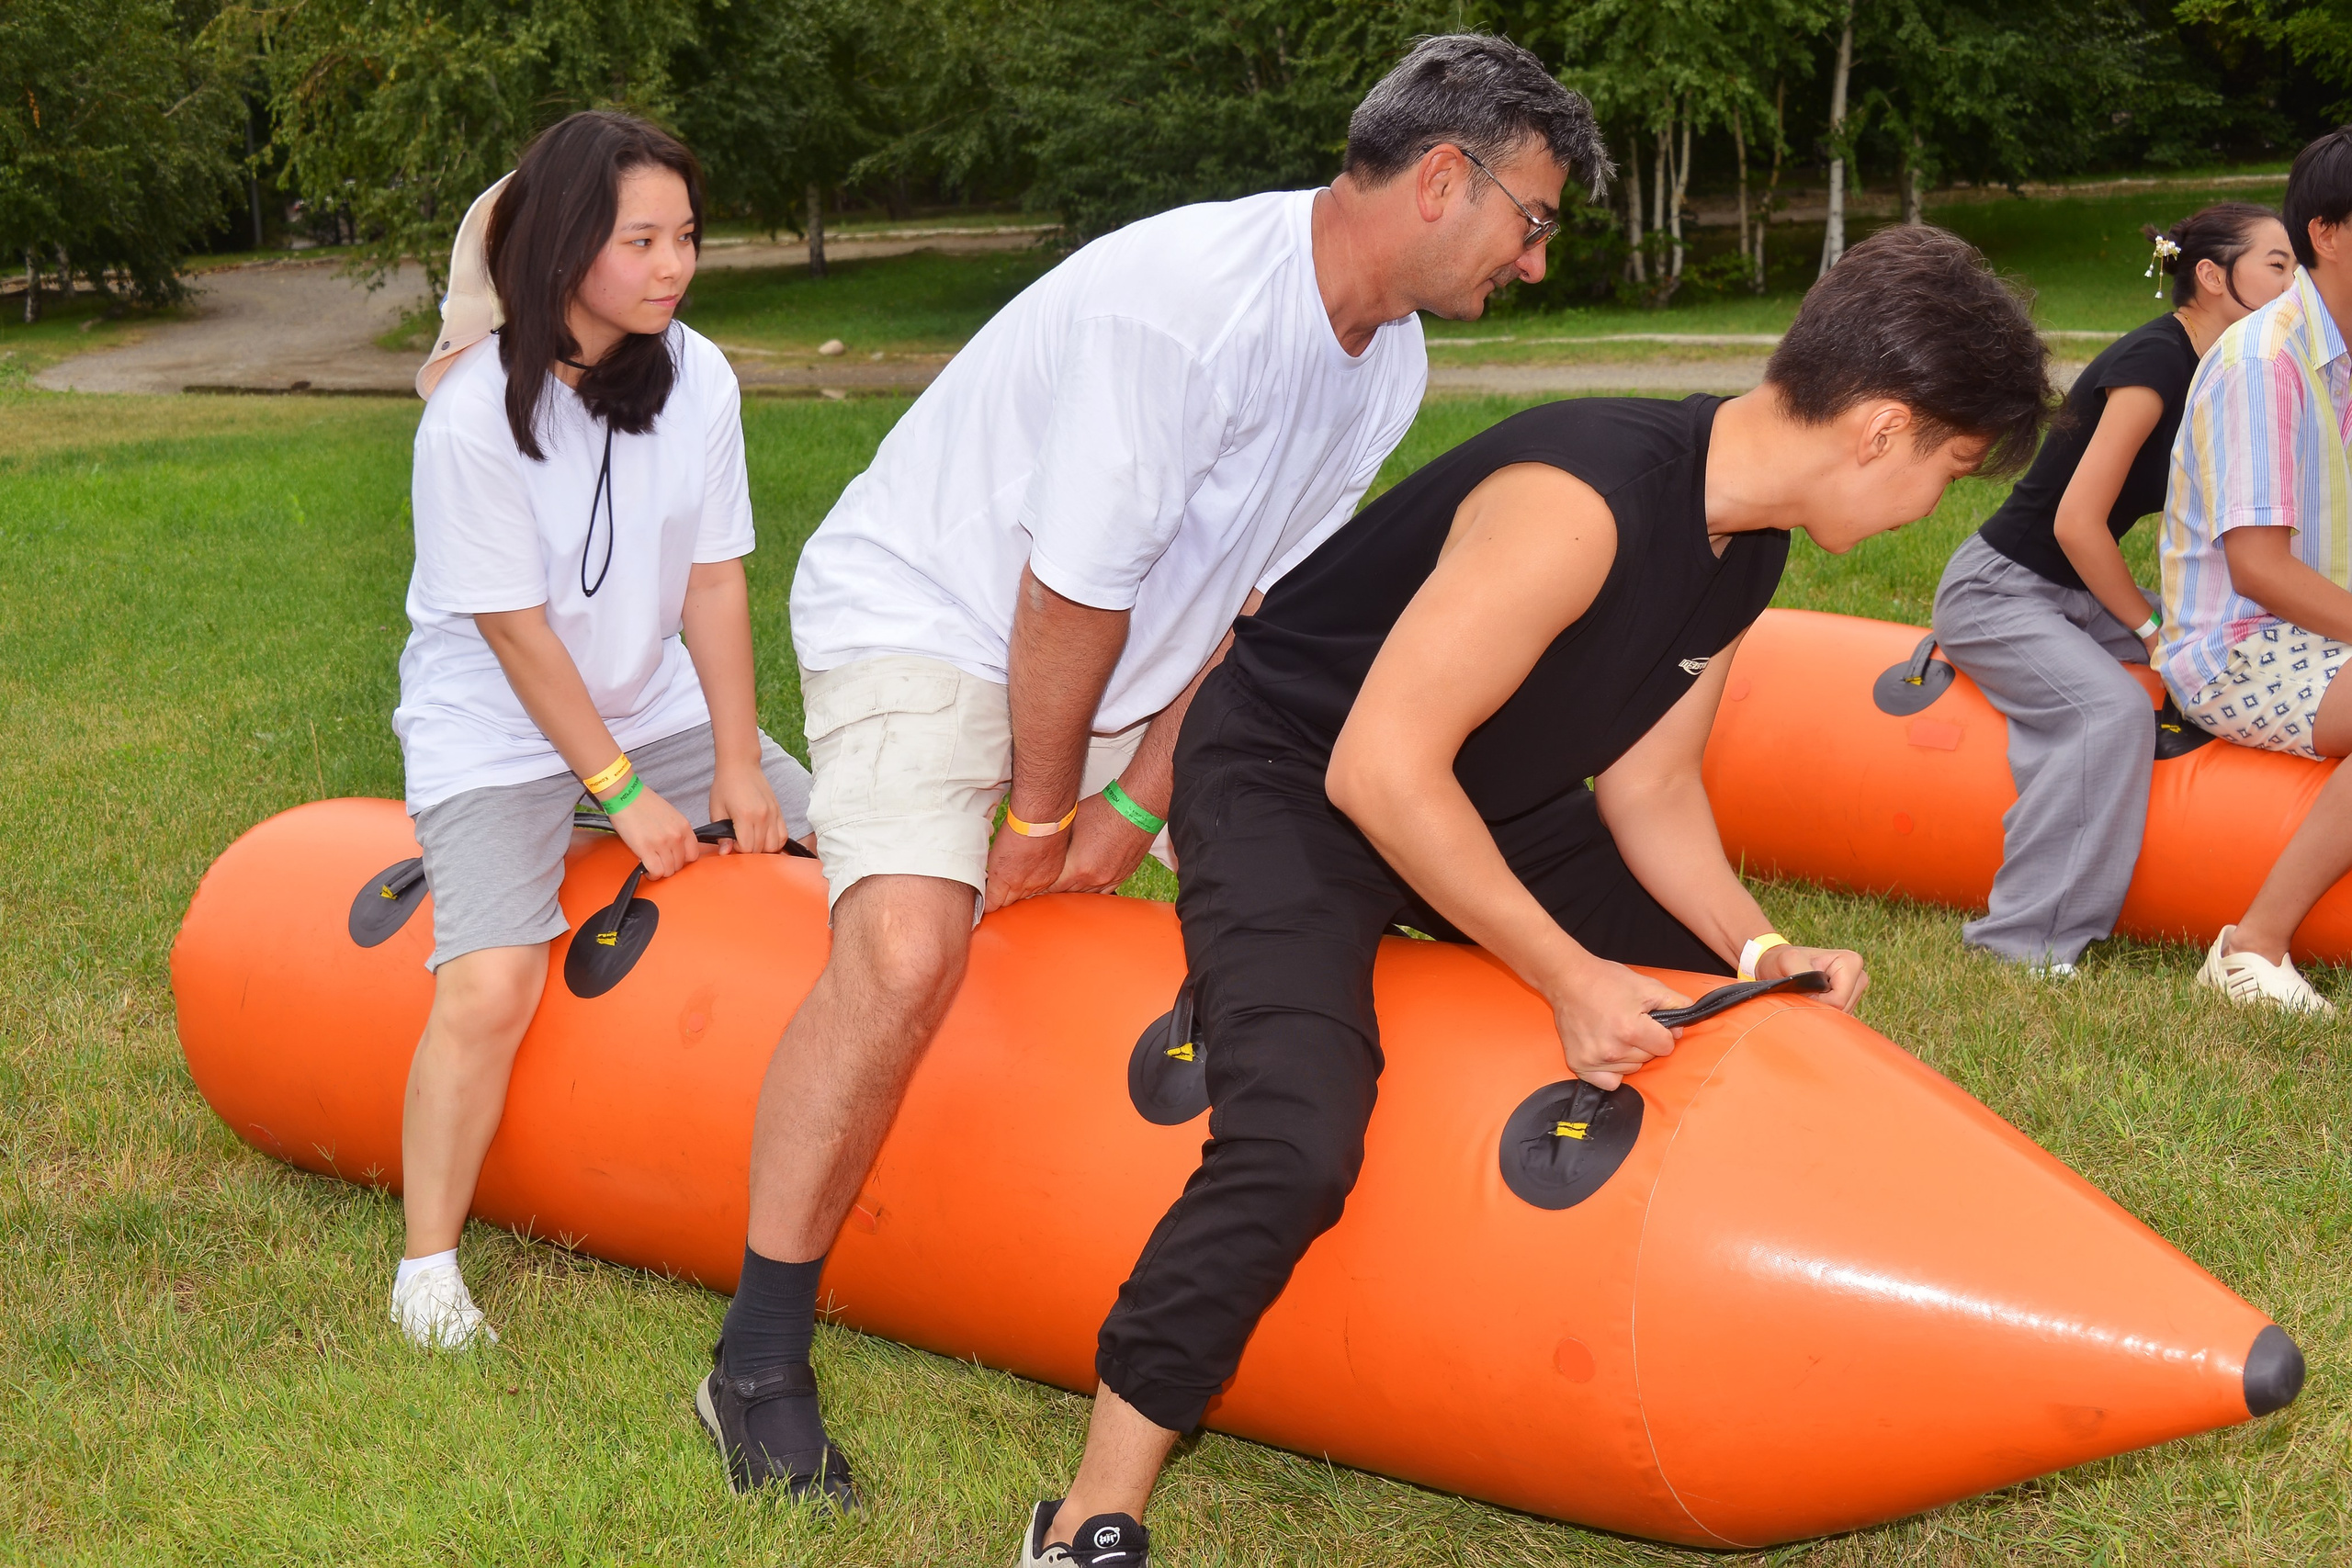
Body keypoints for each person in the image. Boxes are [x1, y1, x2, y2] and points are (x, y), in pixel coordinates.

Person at [1018, 224, 2053, 1566]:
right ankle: (1093, 1508)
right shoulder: (1583, 496)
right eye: (1950, 471)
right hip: (1294, 784)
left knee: (1750, 1006)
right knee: (1297, 1133)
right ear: (1879, 430)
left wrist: (1757, 940)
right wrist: (1567, 975)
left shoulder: (1747, 541)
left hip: (1486, 797)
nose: (1936, 503)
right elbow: (1381, 771)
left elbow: (1654, 788)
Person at [695, 34, 1612, 1506]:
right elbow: (1071, 595)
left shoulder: (1388, 359)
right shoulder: (1191, 315)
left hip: (1123, 668)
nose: (1536, 259)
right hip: (934, 616)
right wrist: (1045, 814)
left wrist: (1134, 804)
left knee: (1310, 887)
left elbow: (1262, 612)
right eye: (1535, 218)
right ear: (1445, 178)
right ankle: (754, 1357)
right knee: (915, 941)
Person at [389, 112, 811, 1348]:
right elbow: (517, 635)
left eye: (687, 235)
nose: (674, 265)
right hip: (494, 728)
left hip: (657, 703)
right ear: (569, 245)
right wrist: (621, 791)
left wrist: (736, 759)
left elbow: (717, 581)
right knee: (490, 979)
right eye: (642, 240)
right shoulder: (471, 418)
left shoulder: (700, 374)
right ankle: (426, 1267)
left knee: (856, 852)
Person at [1930, 204, 2294, 976]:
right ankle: (2021, 943)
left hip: (2076, 596)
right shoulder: (2156, 364)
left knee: (2208, 661)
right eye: (2278, 263)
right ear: (2211, 276)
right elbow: (2076, 522)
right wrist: (2152, 630)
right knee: (2113, 708)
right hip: (2001, 590)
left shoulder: (2221, 371)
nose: (2294, 280)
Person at [2160, 127, 2352, 1011]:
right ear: (2329, 231)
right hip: (2238, 644)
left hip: (2322, 625)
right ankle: (2252, 946)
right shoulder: (2262, 361)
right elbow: (2260, 569)